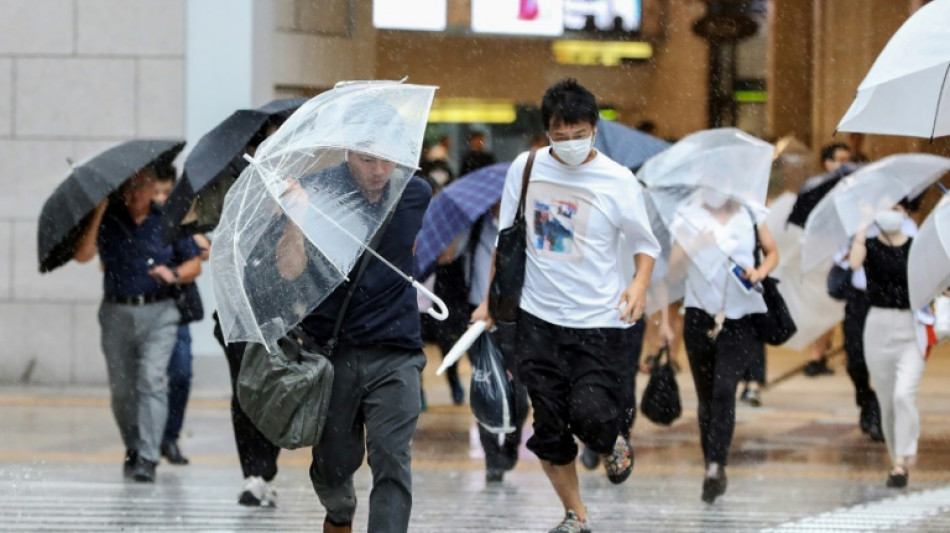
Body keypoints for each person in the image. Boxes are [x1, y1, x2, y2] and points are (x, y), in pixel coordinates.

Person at [472, 78, 660, 533]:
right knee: (551, 427)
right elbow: (509, 238)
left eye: (580, 134)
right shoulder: (527, 167)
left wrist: (638, 284)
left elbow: (644, 242)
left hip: (598, 321)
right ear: (547, 132)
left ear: (595, 128)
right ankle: (576, 515)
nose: (571, 144)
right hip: (538, 320)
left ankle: (610, 440)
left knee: (591, 412)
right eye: (561, 135)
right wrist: (490, 301)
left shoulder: (617, 180)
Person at [276, 143, 432, 531]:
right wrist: (295, 219)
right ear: (348, 153)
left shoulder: (415, 191)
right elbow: (289, 271)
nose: (379, 170)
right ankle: (339, 513)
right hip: (332, 350)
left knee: (392, 458)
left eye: (387, 159)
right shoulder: (313, 190)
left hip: (397, 348)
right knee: (332, 463)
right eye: (368, 159)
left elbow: (408, 249)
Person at [73, 167, 202, 483]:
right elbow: (83, 255)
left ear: (152, 187)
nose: (133, 194)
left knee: (151, 380)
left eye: (140, 187)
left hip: (160, 312)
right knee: (122, 391)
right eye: (127, 188)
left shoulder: (169, 216)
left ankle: (148, 456)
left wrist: (173, 275)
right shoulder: (109, 219)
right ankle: (133, 446)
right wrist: (99, 209)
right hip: (116, 313)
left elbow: (195, 263)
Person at [662, 188, 779, 504]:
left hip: (739, 317)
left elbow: (771, 252)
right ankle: (710, 463)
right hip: (699, 317)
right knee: (706, 397)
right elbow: (673, 272)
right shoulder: (688, 215)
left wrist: (760, 272)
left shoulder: (751, 212)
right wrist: (693, 247)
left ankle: (716, 465)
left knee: (725, 389)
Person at [849, 201, 928, 488]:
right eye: (885, 207)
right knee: (886, 400)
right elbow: (854, 263)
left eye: (896, 207)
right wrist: (863, 222)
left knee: (903, 395)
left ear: (906, 212)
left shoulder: (917, 245)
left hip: (911, 326)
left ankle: (904, 455)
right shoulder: (868, 243)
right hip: (878, 325)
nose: (890, 213)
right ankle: (898, 462)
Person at [152, 168, 209, 466]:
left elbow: (202, 254)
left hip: (177, 308)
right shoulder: (140, 222)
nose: (161, 198)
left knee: (181, 373)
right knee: (147, 381)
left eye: (166, 191)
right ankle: (145, 442)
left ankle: (169, 437)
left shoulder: (179, 217)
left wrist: (174, 273)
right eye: (156, 191)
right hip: (146, 310)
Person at [803, 142, 854, 378]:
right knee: (823, 307)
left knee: (846, 307)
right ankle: (816, 357)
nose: (845, 165)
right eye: (839, 160)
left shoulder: (855, 189)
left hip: (848, 255)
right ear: (827, 163)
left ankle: (847, 353)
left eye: (848, 159)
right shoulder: (816, 188)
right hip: (822, 255)